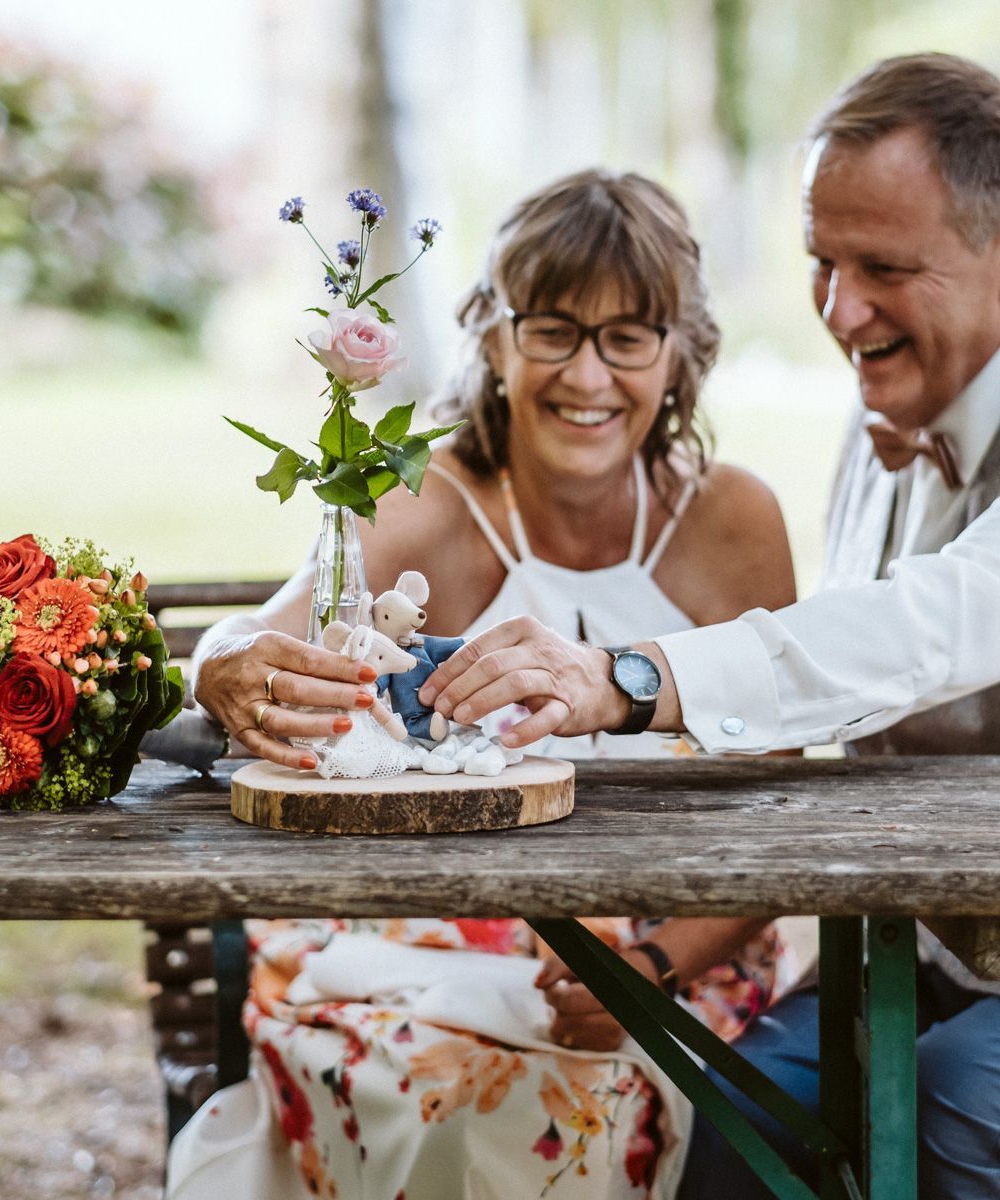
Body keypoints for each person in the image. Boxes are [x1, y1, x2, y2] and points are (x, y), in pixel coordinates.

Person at [419, 55, 1000, 1200]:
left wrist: (623, 674)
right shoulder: (894, 416)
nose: (838, 309)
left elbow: (930, 626)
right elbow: (849, 707)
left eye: (882, 268)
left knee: (961, 1124)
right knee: (737, 1114)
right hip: (964, 946)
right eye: (822, 263)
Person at [169, 170, 799, 1199]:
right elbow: (240, 645)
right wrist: (220, 668)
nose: (587, 375)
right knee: (448, 1093)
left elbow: (781, 786)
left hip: (669, 945)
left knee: (592, 1104)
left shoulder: (735, 522)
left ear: (680, 354)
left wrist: (655, 968)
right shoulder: (430, 501)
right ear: (493, 338)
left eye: (628, 337)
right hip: (428, 932)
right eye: (552, 329)